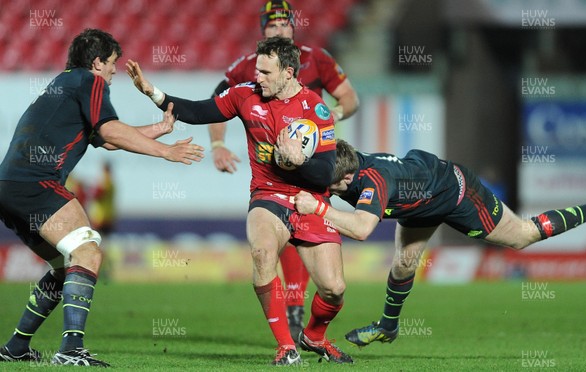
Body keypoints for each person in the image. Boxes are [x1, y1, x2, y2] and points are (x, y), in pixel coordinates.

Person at [126, 36, 353, 365]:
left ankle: (314, 335)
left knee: (334, 289)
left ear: (288, 72)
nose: (256, 76)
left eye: (264, 71)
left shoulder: (315, 108)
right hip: (267, 194)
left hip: (308, 199)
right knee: (262, 254)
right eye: (256, 70)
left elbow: (324, 175)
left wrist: (298, 160)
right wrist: (154, 94)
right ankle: (286, 347)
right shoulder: (244, 94)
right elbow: (198, 111)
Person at [0, 28, 204, 367]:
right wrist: (165, 152)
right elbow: (110, 130)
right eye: (111, 63)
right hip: (36, 182)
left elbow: (106, 138)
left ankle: (15, 346)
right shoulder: (89, 82)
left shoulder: (65, 84)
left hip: (8, 185)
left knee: (66, 268)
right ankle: (70, 350)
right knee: (88, 251)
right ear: (96, 62)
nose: (113, 72)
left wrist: (157, 130)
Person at [294, 140, 586, 347]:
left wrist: (318, 208)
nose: (327, 189)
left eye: (331, 186)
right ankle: (388, 326)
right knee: (403, 265)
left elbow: (362, 229)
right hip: (418, 204)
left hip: (457, 194)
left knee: (524, 236)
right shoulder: (342, 165)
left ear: (347, 178)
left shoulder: (373, 181)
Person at [208, 0, 359, 341]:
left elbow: (350, 98)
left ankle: (301, 310)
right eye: (272, 26)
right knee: (277, 233)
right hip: (272, 169)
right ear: (264, 30)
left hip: (314, 164)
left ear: (293, 27)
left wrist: (329, 116)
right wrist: (218, 145)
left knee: (317, 247)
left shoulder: (317, 58)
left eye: (284, 25)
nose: (279, 30)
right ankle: (292, 307)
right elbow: (216, 104)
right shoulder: (249, 66)